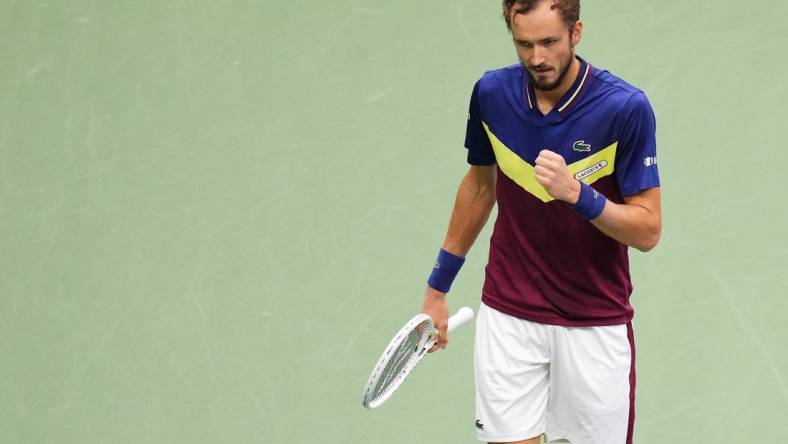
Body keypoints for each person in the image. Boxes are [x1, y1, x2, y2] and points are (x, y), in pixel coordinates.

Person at [420, 0, 662, 443]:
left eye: (549, 42)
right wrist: (437, 290)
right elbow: (478, 188)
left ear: (576, 32)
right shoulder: (492, 94)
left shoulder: (625, 107)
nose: (537, 58)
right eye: (524, 44)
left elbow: (648, 230)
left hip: (593, 320)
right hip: (509, 313)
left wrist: (580, 196)